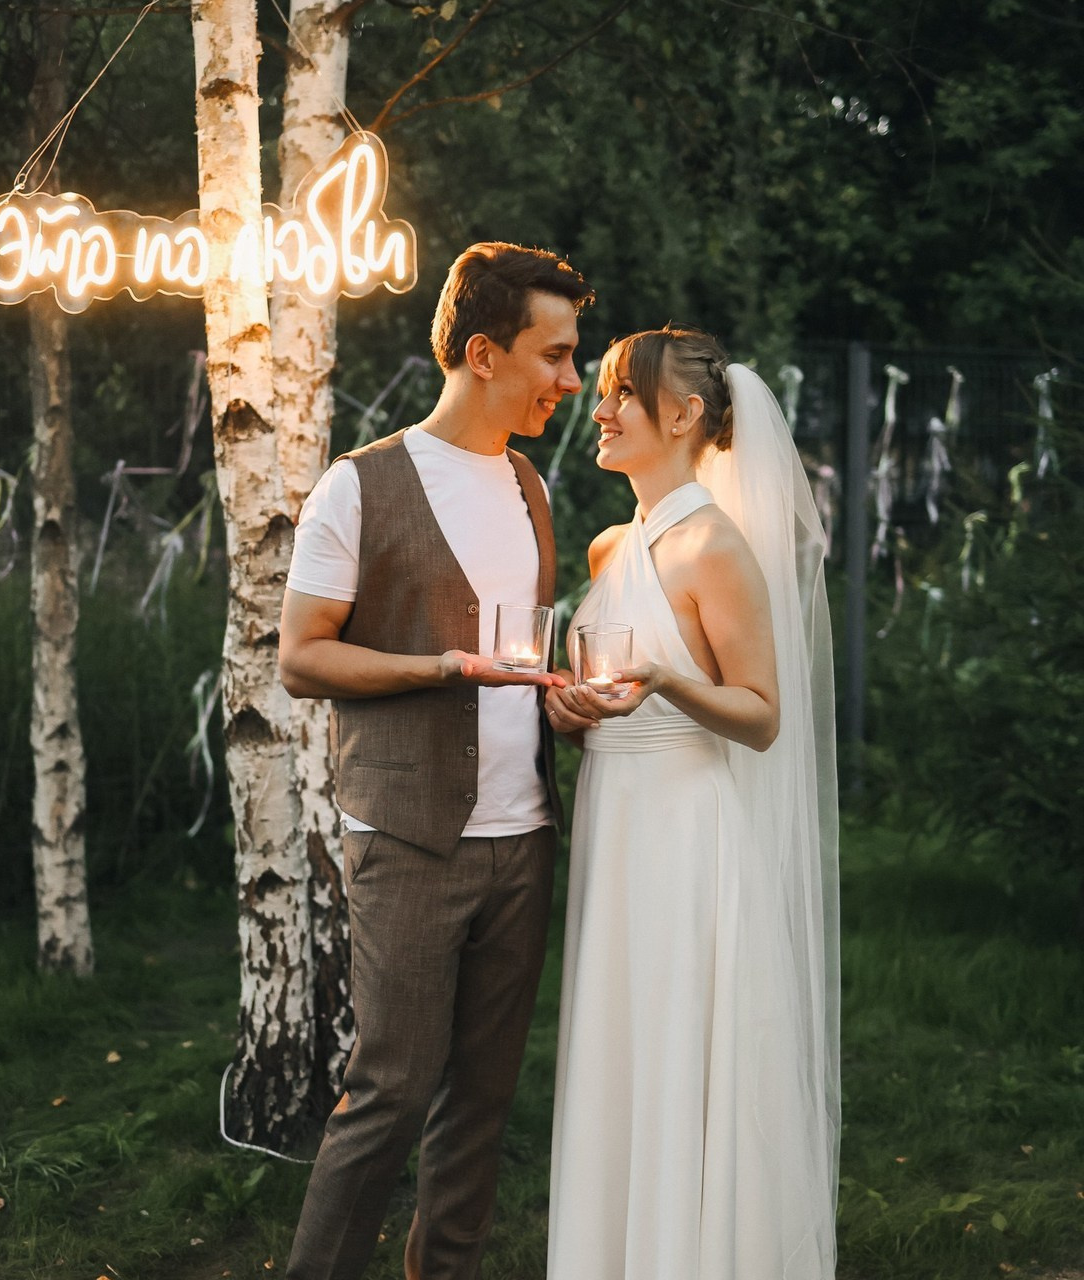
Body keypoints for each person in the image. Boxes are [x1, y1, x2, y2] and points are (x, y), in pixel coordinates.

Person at [278, 241, 594, 1280]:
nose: (570, 378)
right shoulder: (358, 485)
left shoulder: (530, 485)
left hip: (524, 836)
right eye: (553, 354)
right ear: (480, 352)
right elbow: (300, 656)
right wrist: (439, 667)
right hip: (409, 839)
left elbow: (528, 659)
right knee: (393, 1090)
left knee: (481, 1100)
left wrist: (569, 703)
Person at [544, 325, 839, 1279]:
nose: (599, 407)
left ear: (681, 415)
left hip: (684, 831)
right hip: (614, 824)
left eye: (619, 392)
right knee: (620, 1052)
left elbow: (759, 717)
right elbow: (605, 703)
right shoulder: (607, 548)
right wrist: (570, 710)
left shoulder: (715, 547)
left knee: (680, 1048)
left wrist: (666, 680)